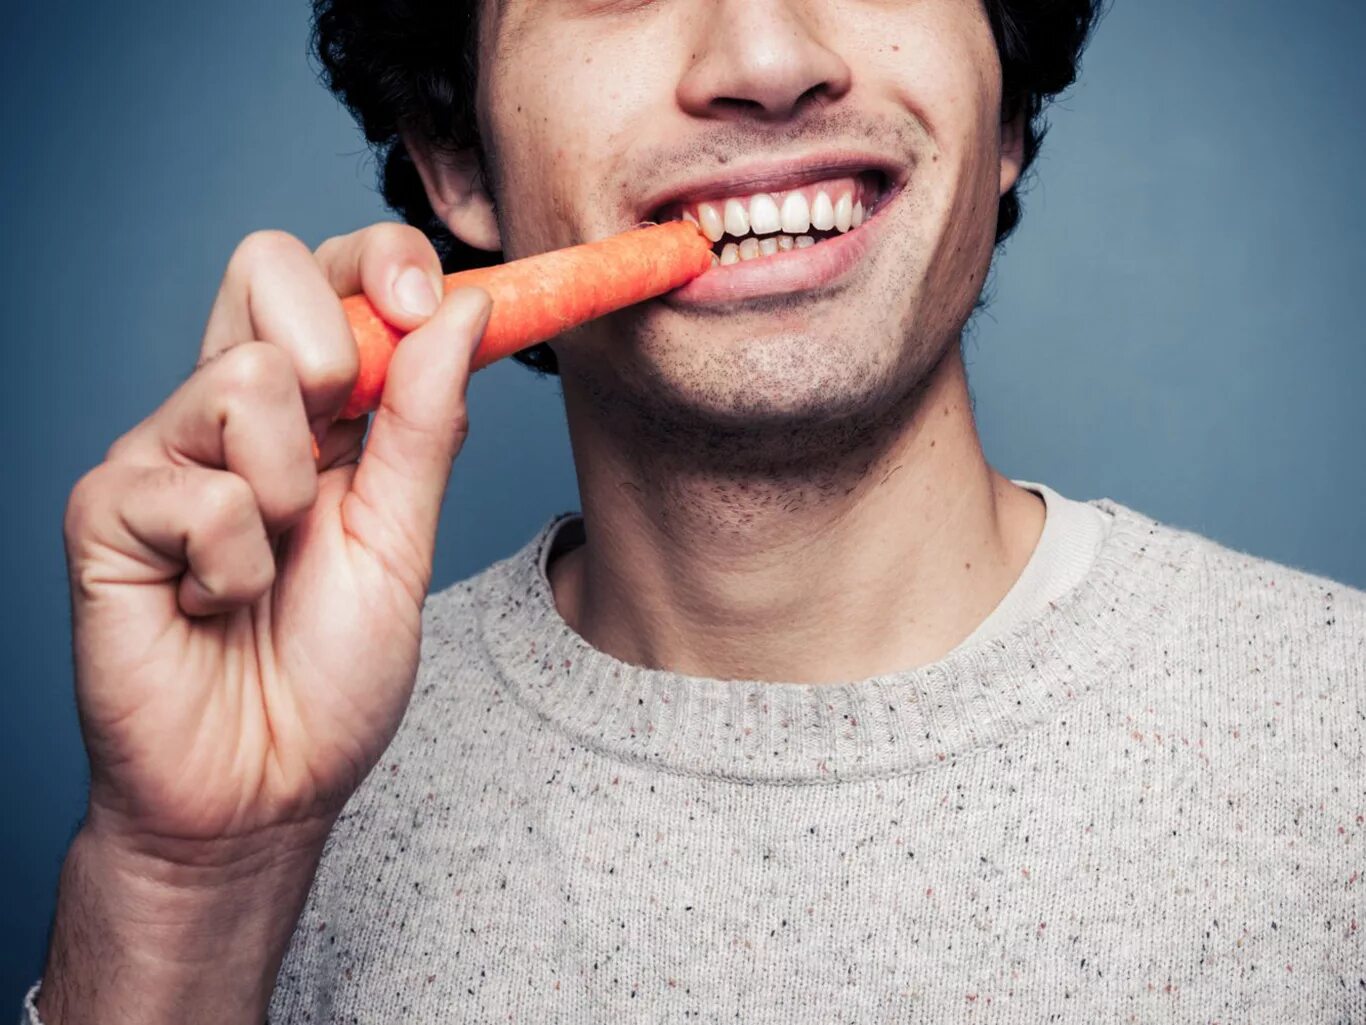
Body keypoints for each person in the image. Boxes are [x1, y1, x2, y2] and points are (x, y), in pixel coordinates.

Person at [23, 0, 1364, 1021]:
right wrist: (187, 888)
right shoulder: (276, 797)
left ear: (1003, 107)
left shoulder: (1336, 733)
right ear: (455, 162)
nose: (767, 56)